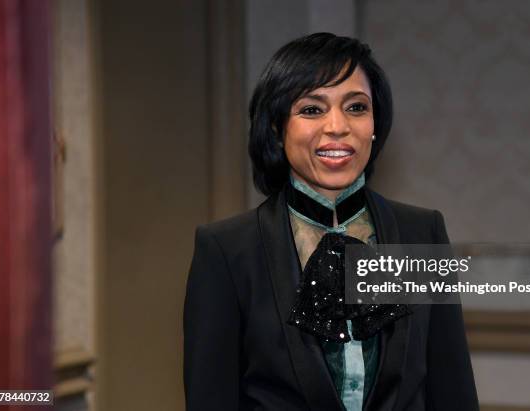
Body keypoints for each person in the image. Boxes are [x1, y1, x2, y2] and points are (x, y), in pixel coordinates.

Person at [183, 32, 479, 411]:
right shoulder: (226, 250)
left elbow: (453, 390)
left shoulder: (423, 232)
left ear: (375, 123)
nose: (337, 126)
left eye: (356, 107)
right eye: (312, 109)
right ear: (277, 128)